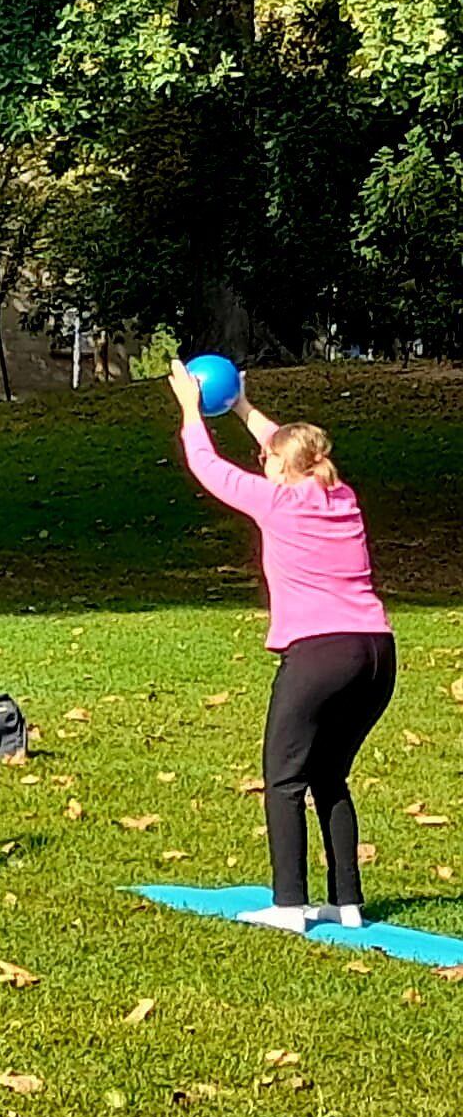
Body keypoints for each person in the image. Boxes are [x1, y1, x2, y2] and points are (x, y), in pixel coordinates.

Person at [167, 361, 393, 933]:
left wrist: (193, 410)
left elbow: (207, 465)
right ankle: (347, 906)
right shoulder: (341, 495)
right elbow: (286, 445)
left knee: (284, 778)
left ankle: (289, 906)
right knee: (329, 776)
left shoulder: (277, 502)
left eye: (266, 459)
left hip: (320, 653)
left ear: (282, 470)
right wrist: (241, 405)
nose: (260, 461)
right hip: (376, 655)